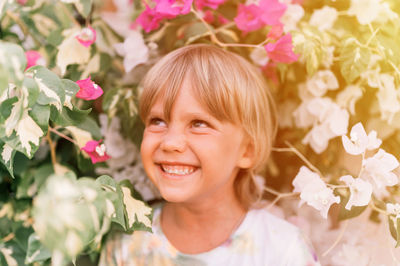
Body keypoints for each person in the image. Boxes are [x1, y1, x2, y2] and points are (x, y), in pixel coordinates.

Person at [99, 44, 320, 266]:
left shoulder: (281, 250)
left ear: (247, 151)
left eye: (198, 124)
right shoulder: (127, 246)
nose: (170, 143)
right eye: (158, 121)